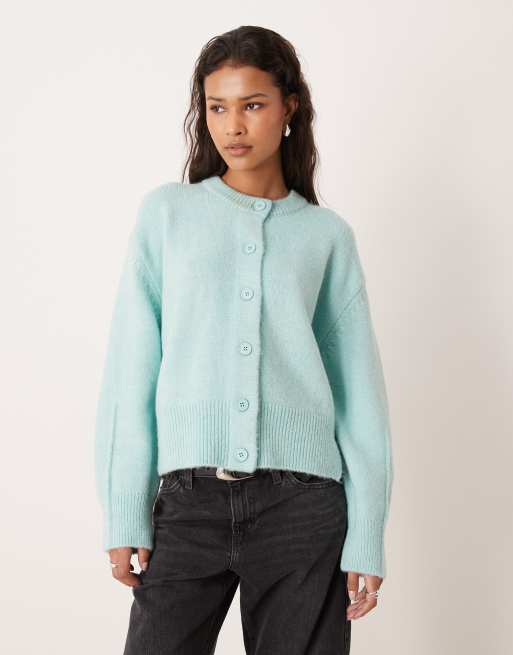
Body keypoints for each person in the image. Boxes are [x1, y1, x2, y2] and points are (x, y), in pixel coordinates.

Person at [94, 25, 394, 655]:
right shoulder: (167, 216)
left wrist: (367, 532)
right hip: (188, 502)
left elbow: (359, 397)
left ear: (290, 108)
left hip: (304, 508)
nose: (233, 126)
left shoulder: (326, 236)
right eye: (217, 107)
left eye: (252, 105)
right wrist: (125, 507)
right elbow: (130, 372)